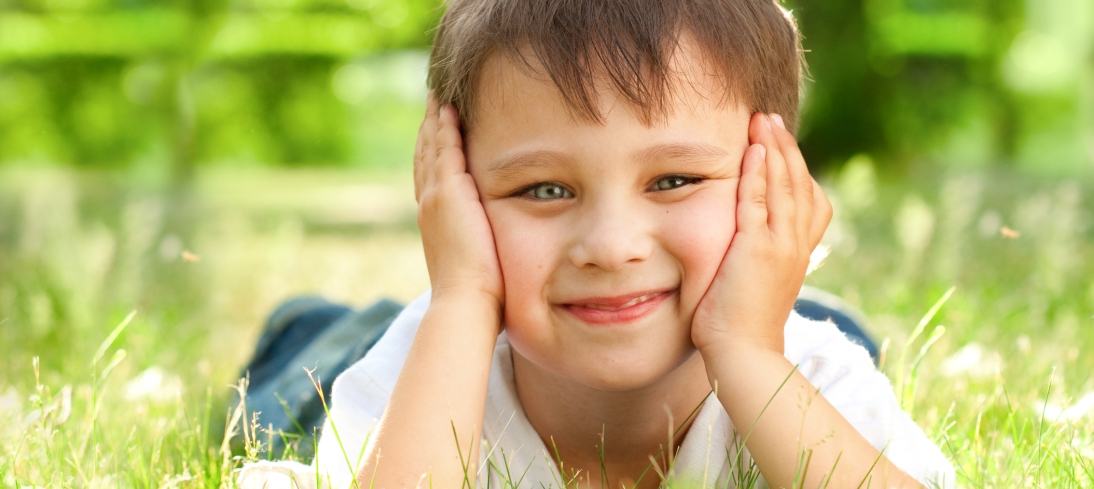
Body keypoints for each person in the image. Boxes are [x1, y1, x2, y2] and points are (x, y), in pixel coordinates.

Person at [237, 0, 956, 487]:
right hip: (355, 355)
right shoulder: (426, 358)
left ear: (775, 178)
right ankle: (307, 323)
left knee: (842, 333)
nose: (610, 247)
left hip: (769, 325)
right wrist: (458, 300)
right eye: (544, 189)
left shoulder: (808, 369)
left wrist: (747, 352)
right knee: (302, 373)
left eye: (672, 178)